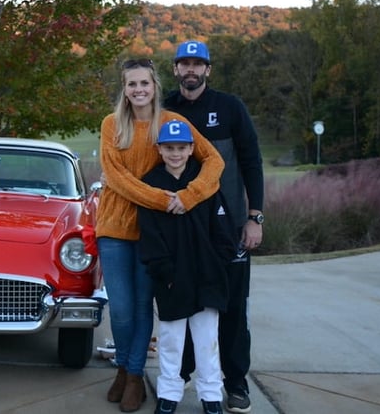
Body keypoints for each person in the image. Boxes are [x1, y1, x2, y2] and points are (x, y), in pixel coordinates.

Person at [98, 59, 225, 413]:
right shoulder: (112, 125)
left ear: (155, 86)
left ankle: (134, 375)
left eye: (144, 83)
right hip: (114, 226)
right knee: (121, 310)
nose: (139, 90)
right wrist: (163, 200)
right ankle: (123, 365)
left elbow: (214, 160)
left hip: (153, 232)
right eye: (131, 84)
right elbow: (116, 177)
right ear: (124, 89)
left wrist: (189, 195)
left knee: (142, 308)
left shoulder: (173, 123)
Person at [164, 41, 265, 414]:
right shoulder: (166, 110)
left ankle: (235, 383)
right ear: (175, 68)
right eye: (184, 63)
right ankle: (181, 378)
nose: (191, 69)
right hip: (184, 230)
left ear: (208, 69)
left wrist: (255, 217)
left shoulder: (230, 107)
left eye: (197, 63)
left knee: (234, 309)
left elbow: (252, 163)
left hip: (230, 227)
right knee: (186, 305)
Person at [137, 119, 235, 414]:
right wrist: (163, 272)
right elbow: (150, 235)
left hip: (206, 274)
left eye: (181, 147)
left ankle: (211, 395)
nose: (176, 153)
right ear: (160, 149)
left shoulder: (204, 183)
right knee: (170, 339)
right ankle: (168, 393)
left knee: (207, 340)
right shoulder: (152, 185)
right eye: (169, 148)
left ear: (192, 149)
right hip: (172, 278)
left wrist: (219, 261)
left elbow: (222, 228)